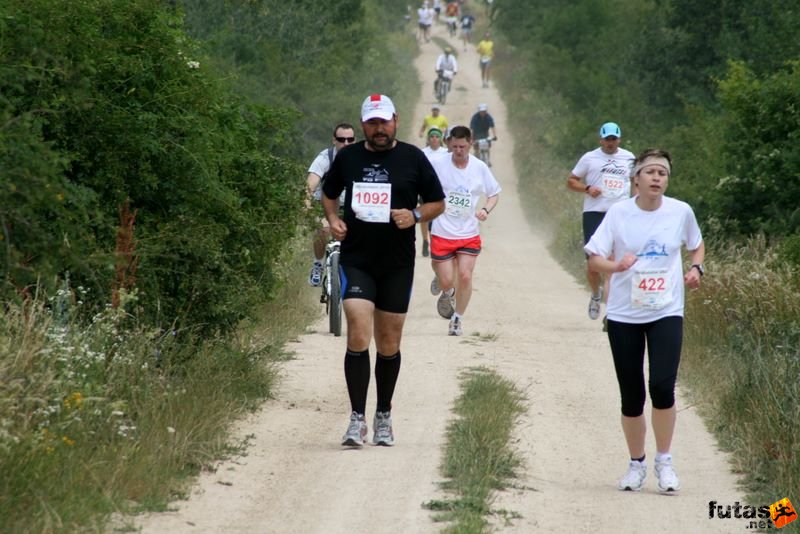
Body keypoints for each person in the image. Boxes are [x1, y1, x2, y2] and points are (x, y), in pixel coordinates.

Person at [322, 94, 446, 447]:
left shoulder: (413, 158)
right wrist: (333, 219)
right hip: (357, 259)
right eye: (373, 123)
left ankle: (384, 415)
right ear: (363, 125)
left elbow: (438, 201)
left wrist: (416, 215)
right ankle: (356, 419)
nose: (379, 129)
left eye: (385, 122)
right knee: (358, 333)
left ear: (396, 120)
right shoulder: (349, 158)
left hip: (397, 263)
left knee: (389, 343)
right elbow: (329, 194)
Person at [584, 148, 705, 493]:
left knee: (663, 386)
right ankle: (636, 463)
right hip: (624, 313)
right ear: (635, 179)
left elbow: (697, 246)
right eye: (650, 172)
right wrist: (616, 266)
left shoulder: (680, 212)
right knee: (632, 394)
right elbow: (594, 260)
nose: (656, 178)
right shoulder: (619, 213)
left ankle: (664, 461)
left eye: (662, 174)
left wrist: (696, 267)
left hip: (666, 310)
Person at [428, 125, 501, 336]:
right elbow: (422, 184)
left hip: (468, 233)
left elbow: (494, 193)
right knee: (447, 280)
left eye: (463, 146)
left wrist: (486, 209)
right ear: (449, 144)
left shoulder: (479, 167)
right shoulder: (437, 164)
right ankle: (447, 289)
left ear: (470, 144)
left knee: (466, 277)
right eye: (455, 146)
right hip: (442, 231)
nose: (459, 150)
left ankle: (457, 319)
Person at [566, 122, 635, 324]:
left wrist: (636, 207)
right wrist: (587, 188)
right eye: (607, 139)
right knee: (594, 264)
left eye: (614, 139)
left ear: (619, 139)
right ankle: (596, 294)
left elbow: (637, 183)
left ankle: (611, 313)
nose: (611, 143)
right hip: (595, 213)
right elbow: (571, 181)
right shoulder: (590, 158)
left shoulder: (629, 158)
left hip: (619, 214)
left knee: (613, 262)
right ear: (601, 139)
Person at [305, 123, 357, 286]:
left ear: (355, 140)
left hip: (351, 207)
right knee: (323, 229)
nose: (346, 143)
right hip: (325, 206)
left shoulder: (361, 158)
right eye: (342, 139)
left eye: (350, 140)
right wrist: (306, 204)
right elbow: (310, 185)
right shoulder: (325, 158)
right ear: (334, 140)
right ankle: (318, 264)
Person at [419, 127, 448, 257]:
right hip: (425, 188)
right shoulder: (423, 153)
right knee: (424, 215)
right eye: (432, 137)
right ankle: (425, 240)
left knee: (439, 214)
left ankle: (437, 242)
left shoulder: (446, 152)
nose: (434, 139)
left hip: (441, 188)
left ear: (440, 139)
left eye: (437, 136)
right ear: (428, 139)